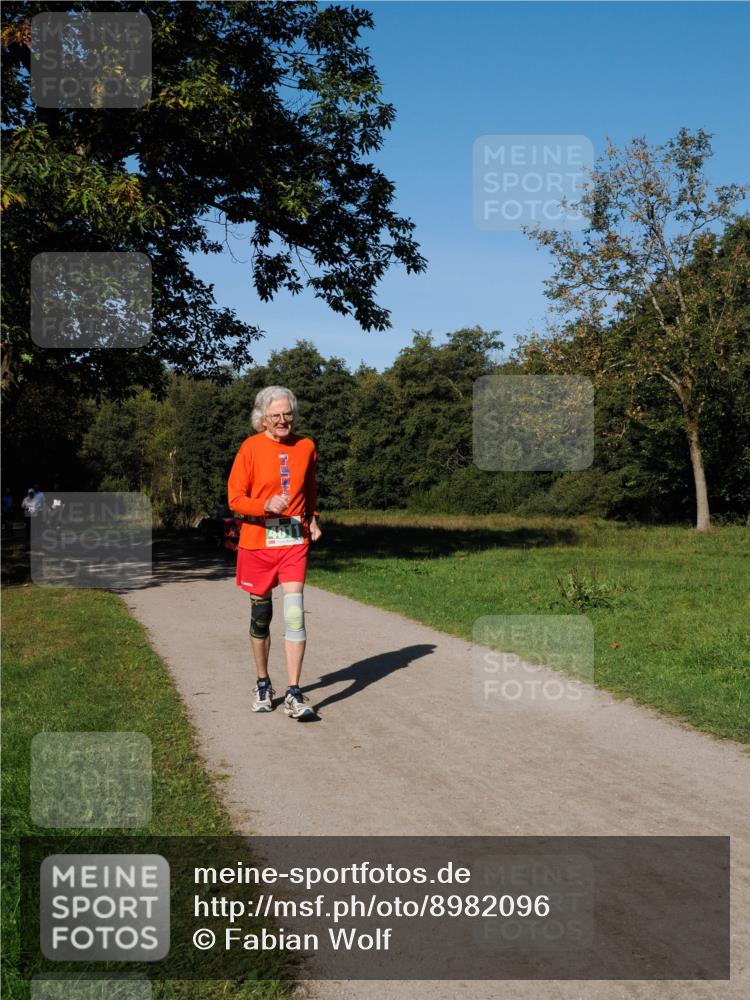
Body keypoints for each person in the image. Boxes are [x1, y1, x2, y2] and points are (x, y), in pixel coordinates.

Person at [227, 386, 322, 720]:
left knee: (294, 614)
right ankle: (263, 682)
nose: (283, 421)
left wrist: (313, 518)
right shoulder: (250, 448)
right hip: (256, 543)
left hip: (293, 542)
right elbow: (235, 499)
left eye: (287, 414)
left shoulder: (306, 446)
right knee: (261, 617)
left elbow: (310, 488)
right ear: (262, 418)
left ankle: (294, 692)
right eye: (276, 415)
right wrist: (264, 505)